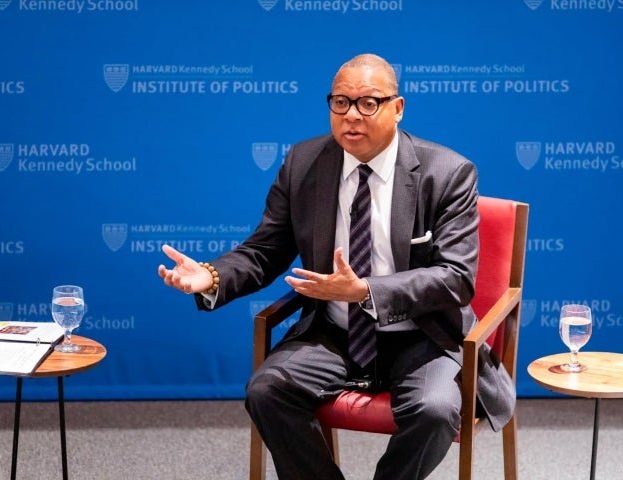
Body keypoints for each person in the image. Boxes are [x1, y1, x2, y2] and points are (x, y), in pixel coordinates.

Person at [158, 53, 515, 480]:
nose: (352, 116)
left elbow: (455, 279)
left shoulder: (447, 172)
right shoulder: (304, 163)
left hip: (423, 334)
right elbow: (265, 250)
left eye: (368, 103)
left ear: (397, 108)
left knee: (434, 411)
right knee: (267, 391)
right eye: (340, 103)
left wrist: (365, 291)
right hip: (335, 333)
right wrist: (211, 276)